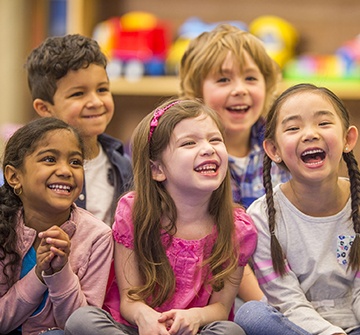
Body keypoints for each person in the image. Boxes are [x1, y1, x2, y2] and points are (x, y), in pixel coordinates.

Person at [64, 99, 257, 335]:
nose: (208, 148)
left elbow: (221, 307)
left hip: (193, 331)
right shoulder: (134, 212)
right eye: (189, 143)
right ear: (157, 169)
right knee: (81, 320)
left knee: (231, 331)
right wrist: (145, 317)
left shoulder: (239, 228)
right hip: (135, 328)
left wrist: (194, 316)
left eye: (215, 139)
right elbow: (128, 300)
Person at [235, 83, 360, 335]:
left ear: (348, 139)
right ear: (273, 150)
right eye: (293, 128)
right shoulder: (262, 218)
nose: (310, 134)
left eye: (323, 123)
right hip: (295, 328)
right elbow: (286, 301)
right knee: (250, 314)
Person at [179, 23, 290, 303]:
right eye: (224, 80)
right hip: (223, 291)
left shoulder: (282, 146)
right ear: (196, 91)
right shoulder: (190, 159)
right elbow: (222, 250)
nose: (239, 90)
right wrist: (271, 308)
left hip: (290, 280)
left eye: (251, 78)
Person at [0, 117, 114, 335]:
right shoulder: (4, 229)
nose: (65, 171)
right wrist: (39, 275)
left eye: (75, 162)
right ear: (14, 177)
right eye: (50, 159)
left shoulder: (98, 236)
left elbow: (84, 325)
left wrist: (60, 272)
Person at [25, 34, 133, 226]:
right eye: (78, 94)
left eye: (102, 89)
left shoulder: (125, 167)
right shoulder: (31, 171)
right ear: (44, 108)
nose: (96, 102)